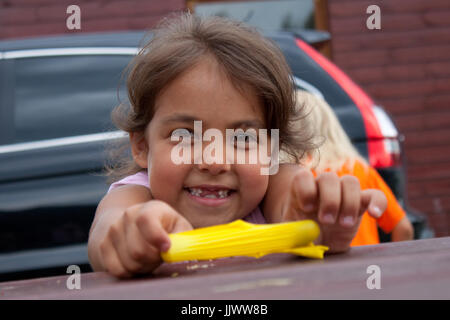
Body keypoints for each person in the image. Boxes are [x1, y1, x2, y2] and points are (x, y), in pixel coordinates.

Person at [87, 13, 386, 278]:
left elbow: (294, 201)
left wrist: (313, 220)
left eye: (243, 139)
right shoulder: (136, 195)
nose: (214, 161)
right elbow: (107, 230)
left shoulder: (273, 188)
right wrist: (131, 233)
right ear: (142, 146)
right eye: (186, 136)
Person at [267, 90, 413, 246]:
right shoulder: (360, 168)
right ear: (330, 125)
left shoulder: (293, 176)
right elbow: (404, 228)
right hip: (368, 265)